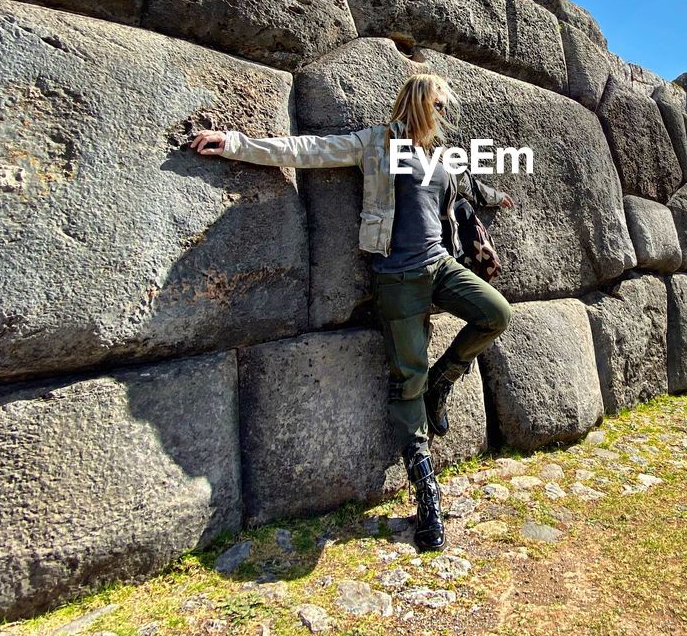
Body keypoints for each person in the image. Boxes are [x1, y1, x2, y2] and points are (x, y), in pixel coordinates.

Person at [188, 74, 514, 551]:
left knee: (495, 313)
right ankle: (427, 493)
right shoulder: (375, 144)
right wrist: (235, 143)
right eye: (439, 106)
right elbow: (307, 150)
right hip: (397, 279)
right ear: (420, 103)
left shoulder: (442, 158)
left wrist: (494, 197)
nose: (444, 115)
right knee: (408, 379)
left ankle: (445, 379)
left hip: (442, 266)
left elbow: (465, 186)